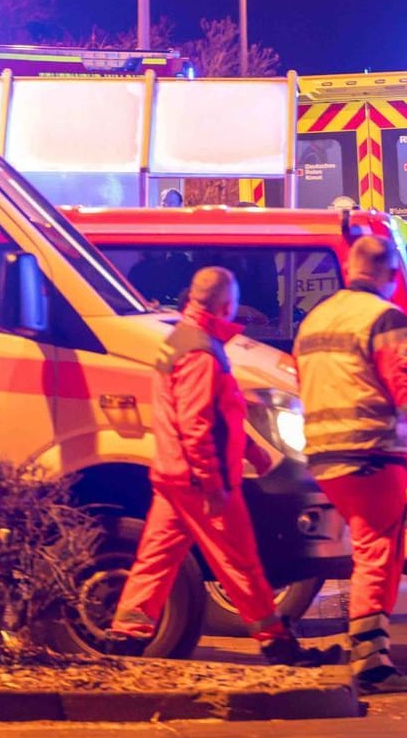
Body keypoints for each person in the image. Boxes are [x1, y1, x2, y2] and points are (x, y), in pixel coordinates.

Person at [105, 267, 334, 666]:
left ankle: (126, 636)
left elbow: (210, 415)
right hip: (200, 480)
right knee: (240, 562)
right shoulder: (201, 352)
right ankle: (278, 643)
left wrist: (255, 453)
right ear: (226, 304)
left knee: (156, 559)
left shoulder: (181, 339)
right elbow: (198, 425)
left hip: (175, 475)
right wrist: (213, 484)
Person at [295, 236, 407, 693]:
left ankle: (369, 653)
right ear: (388, 275)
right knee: (378, 552)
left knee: (370, 548)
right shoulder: (384, 319)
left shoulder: (316, 318)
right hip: (370, 451)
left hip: (324, 456)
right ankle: (370, 664)